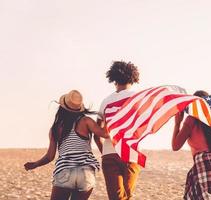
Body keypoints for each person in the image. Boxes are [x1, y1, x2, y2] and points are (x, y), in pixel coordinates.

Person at [24, 90, 109, 200]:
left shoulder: (56, 128)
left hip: (65, 170)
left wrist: (36, 164)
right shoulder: (86, 121)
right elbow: (105, 134)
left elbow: (50, 157)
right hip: (86, 173)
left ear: (62, 108)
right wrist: (107, 117)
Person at [94, 61, 141, 200]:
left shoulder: (106, 101)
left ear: (113, 79)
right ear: (133, 78)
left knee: (116, 198)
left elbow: (97, 133)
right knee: (128, 196)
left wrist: (105, 151)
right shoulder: (139, 98)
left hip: (110, 153)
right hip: (131, 153)